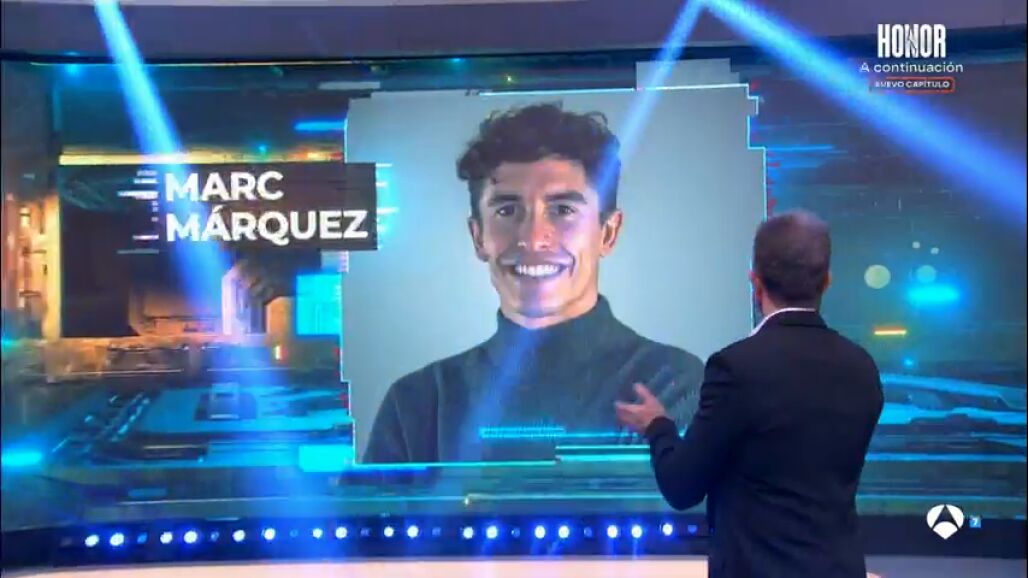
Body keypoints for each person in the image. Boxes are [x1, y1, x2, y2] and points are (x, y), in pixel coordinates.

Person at [364, 103, 704, 463]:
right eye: (507, 211)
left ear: (607, 233)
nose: (532, 238)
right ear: (478, 237)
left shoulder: (672, 384)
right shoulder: (417, 403)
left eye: (563, 210)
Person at [616, 210, 884, 578]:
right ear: (826, 282)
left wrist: (658, 427)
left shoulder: (736, 368)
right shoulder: (862, 368)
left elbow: (682, 486)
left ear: (755, 283)